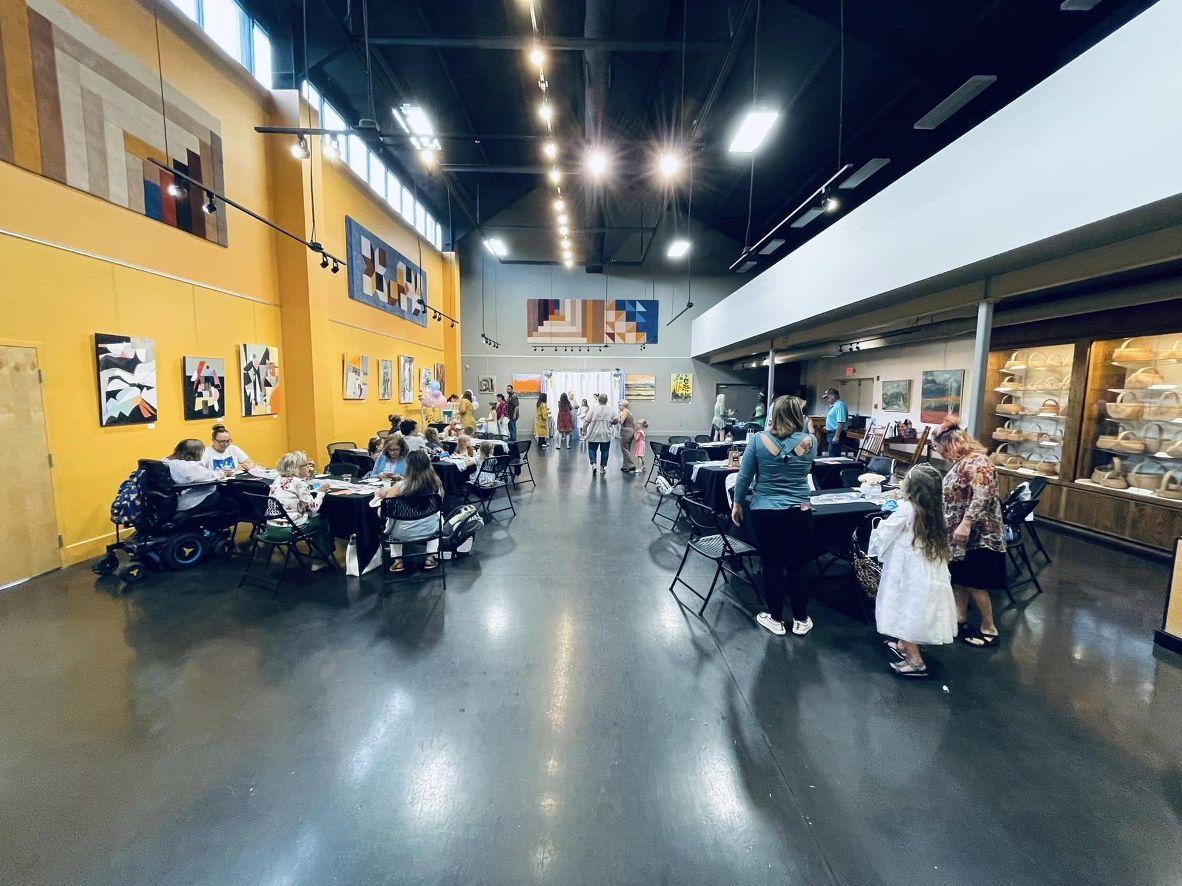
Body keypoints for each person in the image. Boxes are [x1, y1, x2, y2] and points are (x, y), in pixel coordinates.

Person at [731, 396, 818, 637]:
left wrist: (737, 503)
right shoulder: (810, 441)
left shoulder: (758, 440)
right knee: (798, 565)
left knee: (771, 565)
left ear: (774, 414)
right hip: (800, 510)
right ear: (798, 415)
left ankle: (776, 619)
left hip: (765, 511)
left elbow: (744, 476)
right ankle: (801, 619)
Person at [869, 464, 958, 676]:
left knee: (903, 608)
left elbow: (886, 533)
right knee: (918, 607)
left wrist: (877, 531)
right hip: (928, 568)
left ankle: (915, 661)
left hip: (906, 570)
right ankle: (903, 644)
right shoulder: (937, 510)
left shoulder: (906, 509)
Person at [932, 419, 1006, 647]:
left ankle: (989, 628)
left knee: (975, 583)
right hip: (959, 537)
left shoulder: (978, 462)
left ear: (949, 444)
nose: (937, 451)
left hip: (978, 536)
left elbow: (983, 494)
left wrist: (966, 523)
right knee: (960, 579)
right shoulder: (962, 462)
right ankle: (959, 618)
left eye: (937, 446)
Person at [372, 449, 443, 573]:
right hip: (430, 530)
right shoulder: (436, 484)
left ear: (408, 466)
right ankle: (430, 557)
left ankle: (398, 561)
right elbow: (440, 503)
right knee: (437, 515)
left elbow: (385, 511)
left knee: (392, 518)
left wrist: (378, 498)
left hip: (402, 533)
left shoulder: (399, 486)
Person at [268, 451, 335, 570]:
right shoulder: (298, 483)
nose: (309, 467)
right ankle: (320, 559)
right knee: (323, 519)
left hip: (271, 528)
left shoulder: (278, 479)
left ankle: (320, 554)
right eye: (306, 465)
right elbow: (313, 507)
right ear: (297, 469)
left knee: (313, 516)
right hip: (288, 529)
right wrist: (321, 493)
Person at [164, 439, 227, 511]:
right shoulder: (189, 466)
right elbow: (209, 476)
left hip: (174, 500)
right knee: (230, 502)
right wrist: (220, 474)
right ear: (196, 453)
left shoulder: (167, 462)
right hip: (192, 500)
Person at [582, 394, 615, 476]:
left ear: (598, 400)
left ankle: (594, 464)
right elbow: (616, 420)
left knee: (592, 449)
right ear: (607, 401)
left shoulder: (593, 409)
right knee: (605, 451)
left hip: (594, 433)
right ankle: (602, 468)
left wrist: (584, 430)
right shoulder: (611, 410)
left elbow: (586, 421)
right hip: (606, 433)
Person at [821, 387, 849, 456]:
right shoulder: (835, 405)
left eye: (827, 397)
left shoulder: (839, 406)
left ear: (833, 396)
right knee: (832, 454)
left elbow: (840, 422)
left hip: (835, 433)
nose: (826, 399)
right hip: (832, 433)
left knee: (834, 456)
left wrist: (836, 436)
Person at [613, 400, 638, 473]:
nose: (618, 407)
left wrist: (617, 418)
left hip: (626, 431)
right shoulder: (629, 412)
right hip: (630, 431)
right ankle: (625, 465)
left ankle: (631, 465)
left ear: (623, 405)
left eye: (619, 405)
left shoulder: (624, 412)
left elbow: (621, 422)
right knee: (627, 448)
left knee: (624, 449)